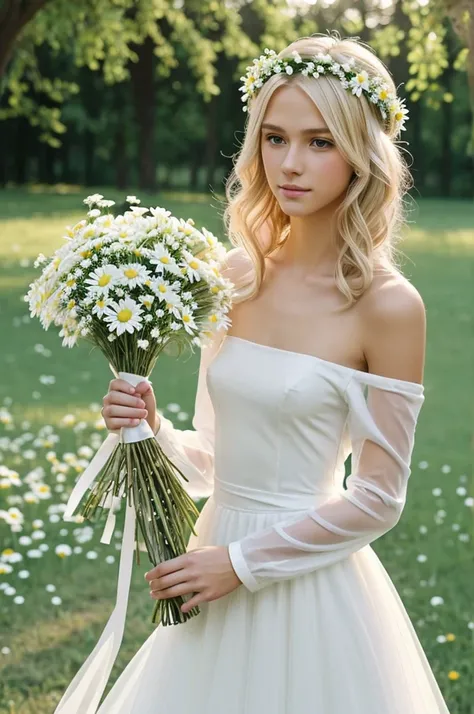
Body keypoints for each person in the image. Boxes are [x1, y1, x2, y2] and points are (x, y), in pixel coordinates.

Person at [57, 32, 452, 714]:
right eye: (274, 138)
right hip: (208, 565)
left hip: (307, 586)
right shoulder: (235, 277)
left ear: (362, 155)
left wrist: (241, 565)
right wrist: (151, 426)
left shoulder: (389, 307)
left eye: (319, 142)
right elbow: (211, 456)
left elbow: (379, 500)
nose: (289, 164)